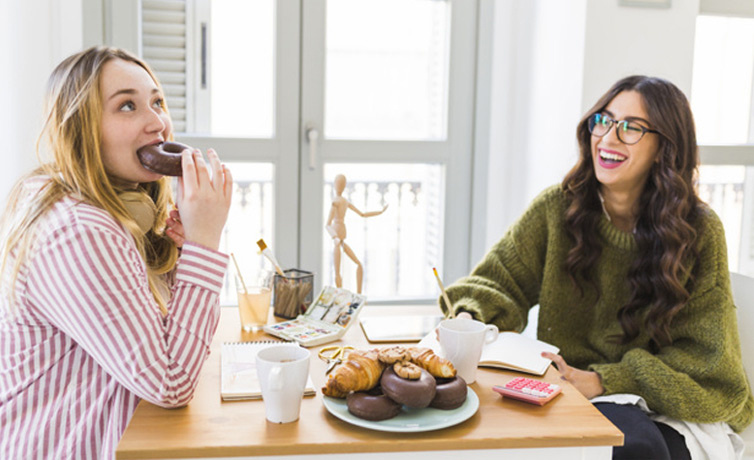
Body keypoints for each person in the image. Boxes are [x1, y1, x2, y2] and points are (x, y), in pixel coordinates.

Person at [442, 76, 753, 459]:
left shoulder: (699, 230)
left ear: (664, 148)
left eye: (631, 128)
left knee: (639, 447)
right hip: (566, 387)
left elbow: (707, 358)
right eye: (602, 121)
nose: (608, 138)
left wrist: (608, 379)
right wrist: (470, 318)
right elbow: (497, 281)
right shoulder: (557, 208)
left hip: (665, 401)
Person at [0, 47, 233, 459]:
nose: (157, 122)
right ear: (82, 129)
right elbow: (171, 381)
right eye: (127, 106)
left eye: (157, 102)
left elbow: (158, 339)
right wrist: (205, 244)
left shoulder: (117, 209)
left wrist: (182, 255)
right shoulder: (80, 232)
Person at [325, 174, 387, 293]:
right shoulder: (336, 202)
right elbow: (327, 224)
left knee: (358, 264)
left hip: (341, 234)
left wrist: (380, 212)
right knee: (337, 271)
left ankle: (358, 294)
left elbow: (362, 214)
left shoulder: (344, 201)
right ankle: (339, 294)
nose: (340, 186)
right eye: (338, 184)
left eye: (341, 184)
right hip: (338, 236)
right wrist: (334, 237)